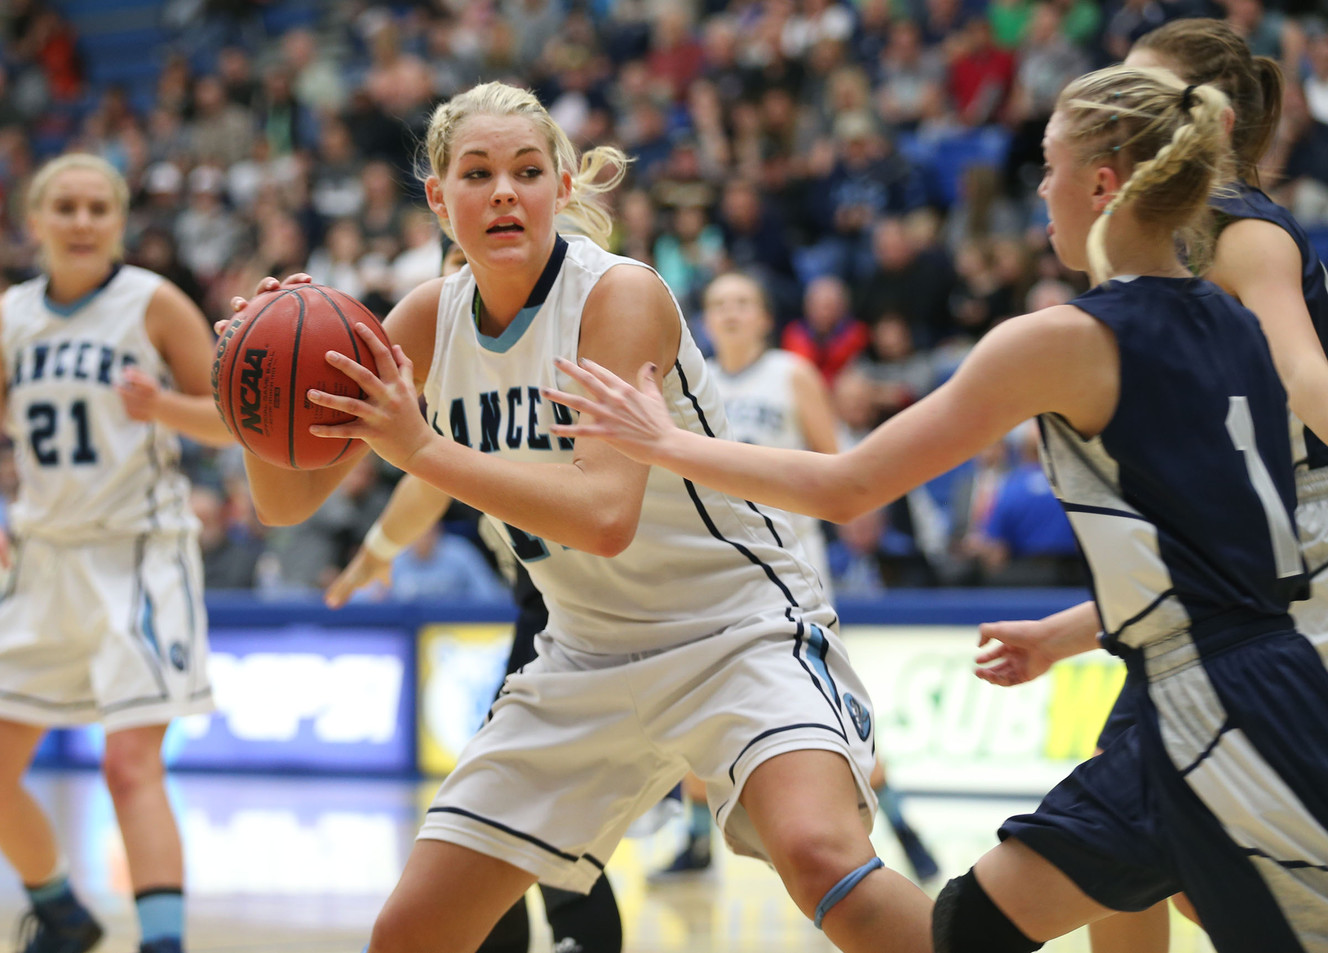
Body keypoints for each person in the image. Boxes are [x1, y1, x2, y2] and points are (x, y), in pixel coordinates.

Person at [546, 65, 1328, 952]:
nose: (1039, 189)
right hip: (1210, 691)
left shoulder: (1064, 338)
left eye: (1049, 166)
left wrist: (664, 441)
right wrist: (1066, 634)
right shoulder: (1236, 322)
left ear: (1102, 184)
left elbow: (850, 485)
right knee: (964, 929)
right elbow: (1231, 554)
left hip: (1225, 713)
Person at [230, 81, 930, 953]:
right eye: (477, 174)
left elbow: (605, 515)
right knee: (410, 934)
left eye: (527, 172)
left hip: (732, 631)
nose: (504, 193)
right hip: (584, 652)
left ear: (562, 187)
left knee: (825, 861)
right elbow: (285, 501)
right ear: (439, 199)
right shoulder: (426, 321)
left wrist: (421, 448)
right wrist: (258, 388)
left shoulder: (618, 295)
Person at [977, 17, 1328, 953]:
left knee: (1152, 859)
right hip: (1257, 585)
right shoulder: (1166, 274)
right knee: (1147, 868)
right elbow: (1198, 549)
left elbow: (1307, 378)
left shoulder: (1240, 233)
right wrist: (1066, 633)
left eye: (1146, 94)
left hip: (1303, 587)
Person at [324, 239, 625, 953]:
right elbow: (428, 481)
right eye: (456, 265)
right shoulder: (452, 345)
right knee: (511, 805)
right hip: (550, 601)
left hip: (612, 594)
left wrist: (377, 548)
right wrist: (373, 555)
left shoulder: (573, 338)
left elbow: (432, 472)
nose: (472, 279)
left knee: (515, 804)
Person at [0, 153, 233, 953]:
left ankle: (162, 943)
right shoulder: (11, 315)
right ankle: (62, 912)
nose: (81, 221)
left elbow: (231, 418)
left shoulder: (152, 302)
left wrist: (163, 405)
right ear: (35, 222)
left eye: (97, 207)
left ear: (120, 222)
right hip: (43, 558)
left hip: (140, 555)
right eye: (64, 207)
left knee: (129, 765)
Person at [653, 269, 939, 886]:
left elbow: (836, 466)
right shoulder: (692, 381)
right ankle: (697, 843)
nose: (730, 312)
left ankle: (900, 826)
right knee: (694, 701)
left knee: (829, 710)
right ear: (705, 320)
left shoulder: (792, 373)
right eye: (719, 303)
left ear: (764, 318)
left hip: (789, 569)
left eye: (743, 301)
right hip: (712, 569)